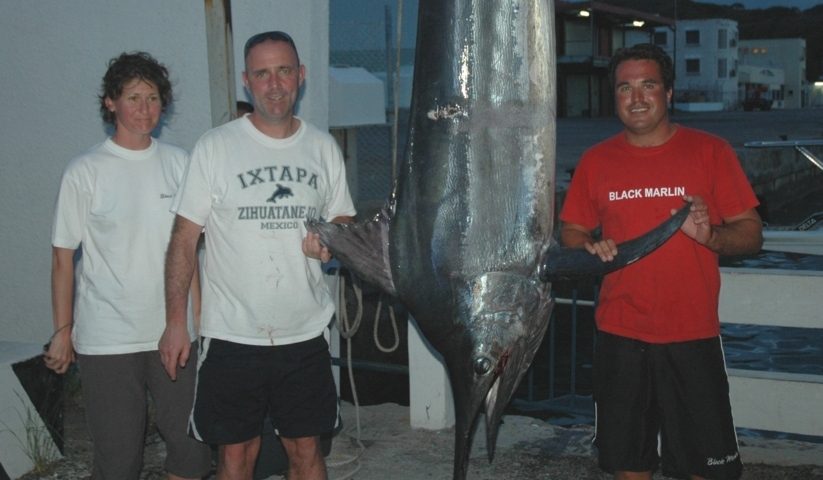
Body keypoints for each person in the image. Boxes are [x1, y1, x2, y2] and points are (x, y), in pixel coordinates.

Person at [559, 43, 763, 480]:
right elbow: (572, 231)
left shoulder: (710, 151)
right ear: (614, 96)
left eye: (648, 85)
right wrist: (587, 249)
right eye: (624, 88)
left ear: (669, 93)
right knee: (628, 467)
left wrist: (711, 236)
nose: (636, 98)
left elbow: (751, 233)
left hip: (692, 333)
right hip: (619, 334)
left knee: (706, 470)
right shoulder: (595, 161)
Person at [160, 30, 355, 480]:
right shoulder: (215, 146)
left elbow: (343, 219)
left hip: (304, 332)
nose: (274, 84)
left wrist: (330, 238)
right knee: (236, 455)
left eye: (284, 70)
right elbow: (183, 239)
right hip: (231, 334)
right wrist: (176, 323)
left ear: (300, 76)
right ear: (247, 81)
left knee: (306, 451)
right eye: (262, 73)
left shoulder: (323, 147)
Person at [46, 51, 212, 480]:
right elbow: (63, 256)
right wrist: (63, 331)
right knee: (119, 460)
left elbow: (190, 250)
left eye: (153, 98)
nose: (145, 109)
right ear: (111, 103)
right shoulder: (84, 171)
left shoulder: (180, 163)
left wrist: (200, 320)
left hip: (174, 333)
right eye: (134, 97)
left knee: (191, 450)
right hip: (108, 339)